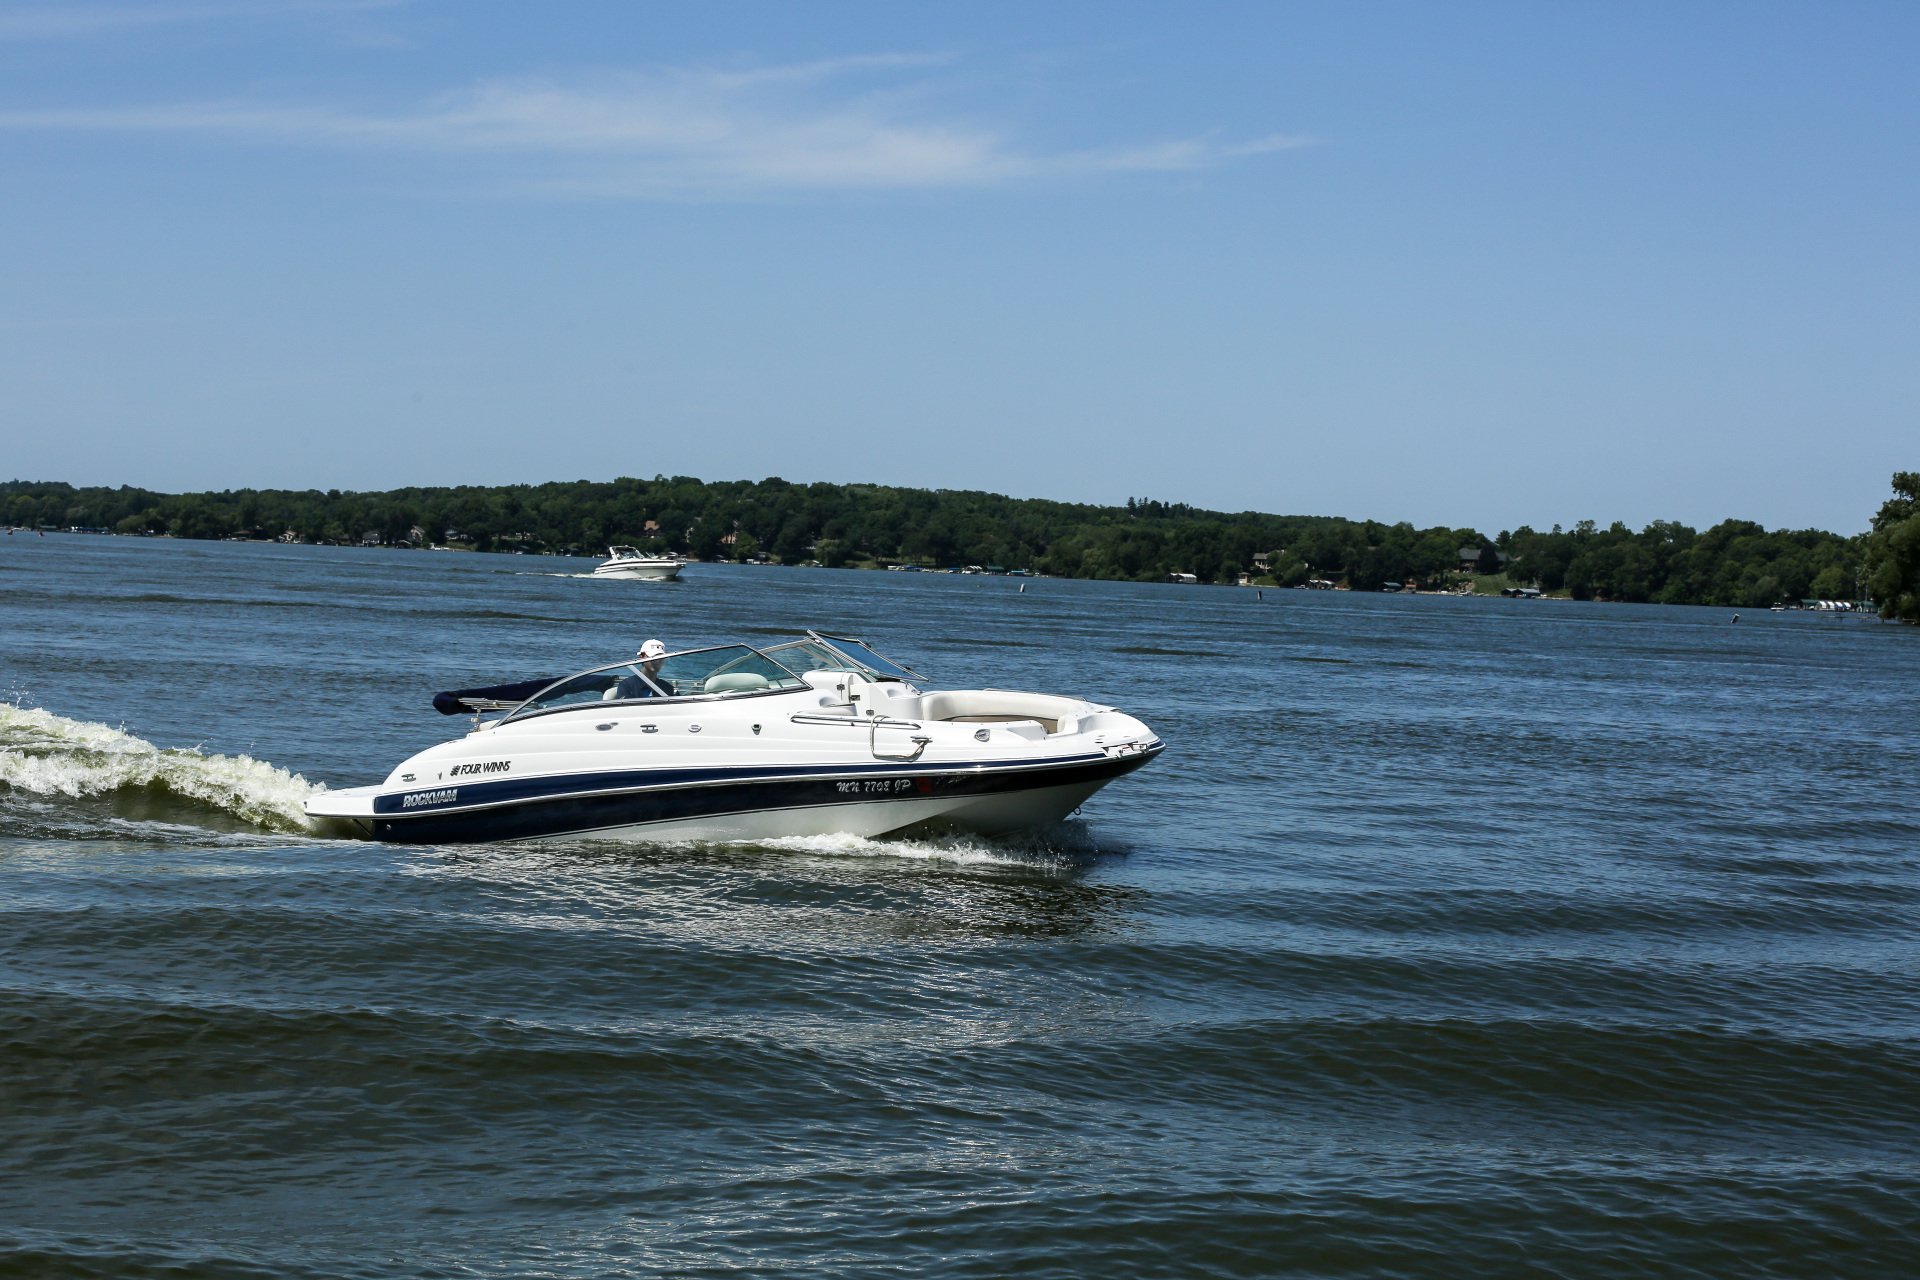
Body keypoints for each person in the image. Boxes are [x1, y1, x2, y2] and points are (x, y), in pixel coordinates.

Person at [606, 638, 671, 699]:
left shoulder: (667, 687)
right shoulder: (626, 686)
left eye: (661, 658)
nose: (657, 661)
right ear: (642, 657)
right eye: (653, 657)